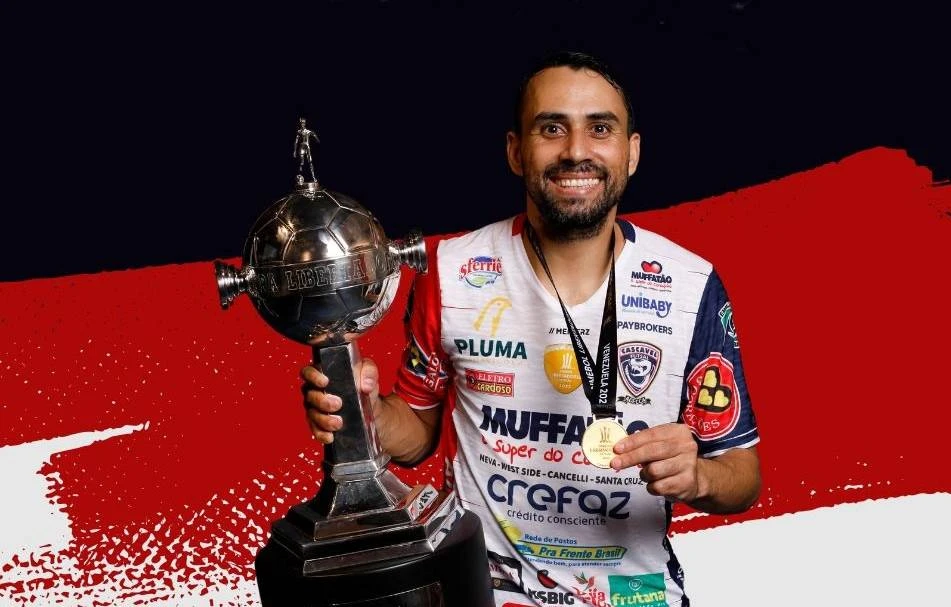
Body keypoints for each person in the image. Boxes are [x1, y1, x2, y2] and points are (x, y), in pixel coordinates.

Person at [302, 50, 761, 606]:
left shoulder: (690, 285)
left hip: (634, 595)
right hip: (485, 592)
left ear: (632, 152)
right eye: (552, 128)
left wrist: (701, 478)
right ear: (516, 152)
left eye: (600, 129)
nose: (576, 151)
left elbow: (743, 476)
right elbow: (417, 434)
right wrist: (367, 412)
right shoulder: (451, 272)